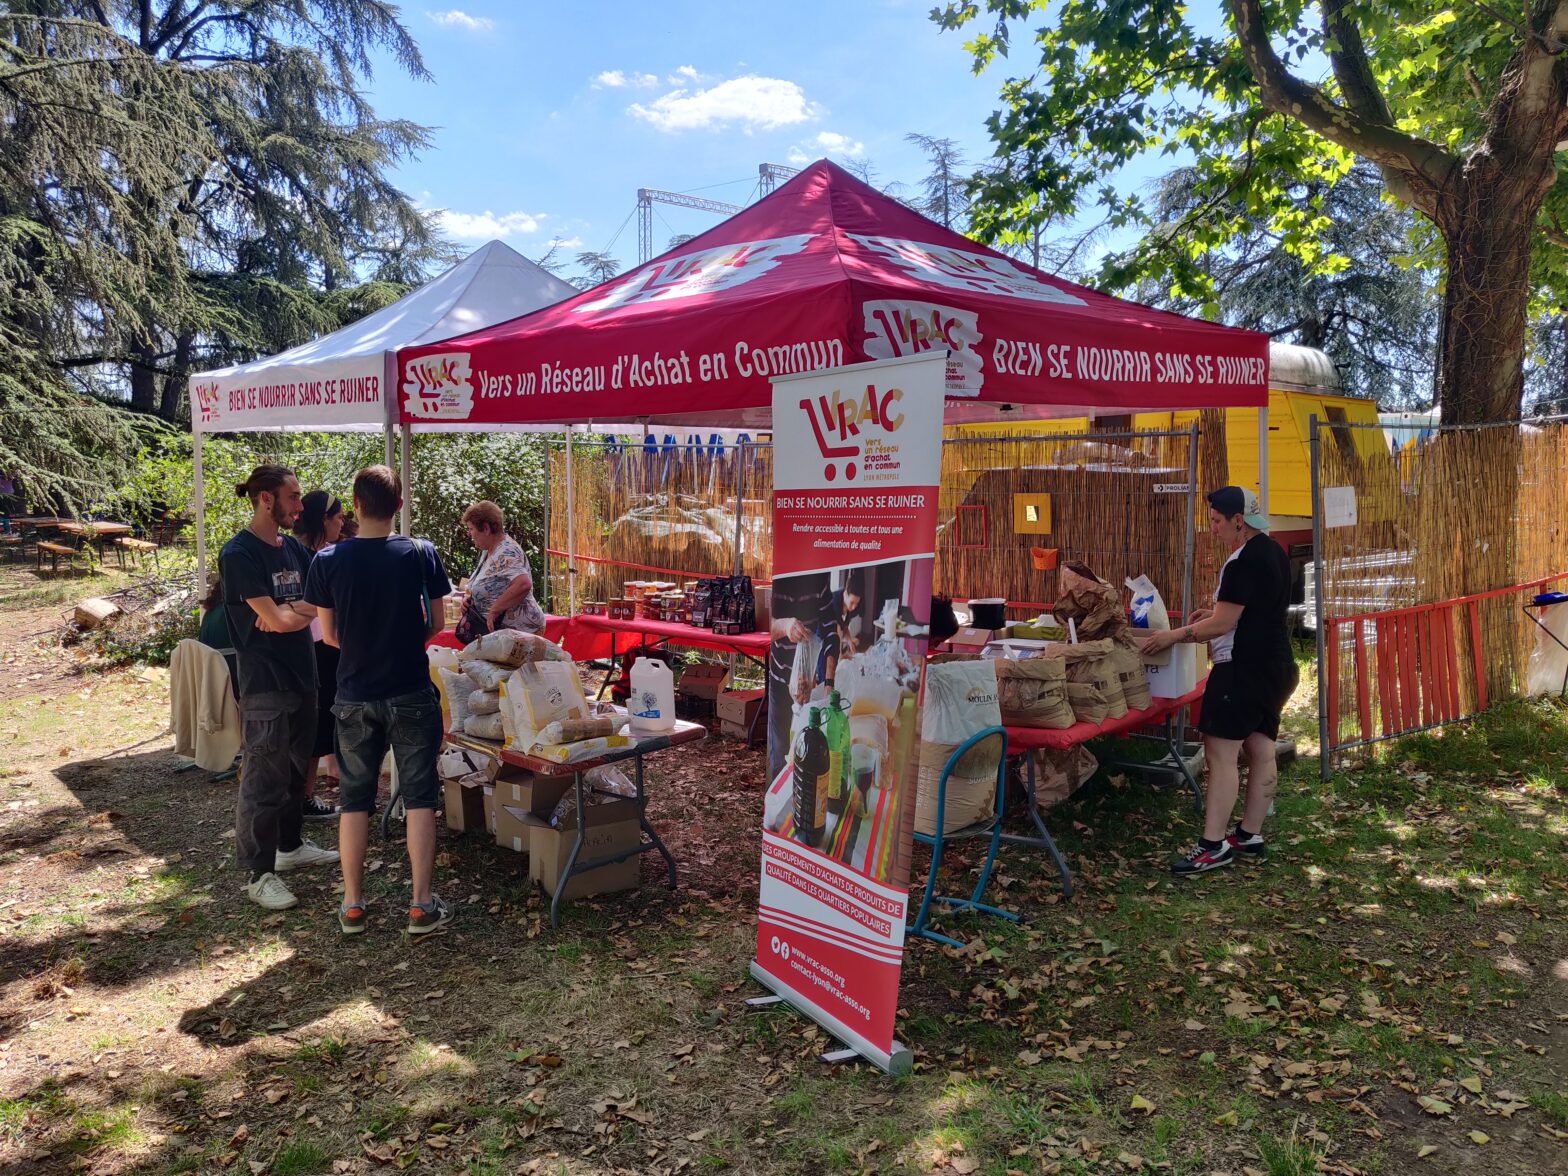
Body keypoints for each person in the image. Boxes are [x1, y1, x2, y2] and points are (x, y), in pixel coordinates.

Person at [305, 465, 453, 935]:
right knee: (420, 797)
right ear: (399, 505)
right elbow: (436, 624)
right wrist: (403, 642)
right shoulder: (421, 553)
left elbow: (329, 635)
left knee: (354, 800)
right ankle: (420, 905)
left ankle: (352, 904)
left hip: (353, 695)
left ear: (355, 505)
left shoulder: (327, 560)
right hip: (411, 690)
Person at [1140, 486, 1297, 876]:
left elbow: (1224, 624)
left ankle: (1212, 846)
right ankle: (1249, 835)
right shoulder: (1274, 551)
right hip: (1276, 666)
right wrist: (1211, 614)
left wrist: (1174, 635)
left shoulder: (1242, 561)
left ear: (1238, 521)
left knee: (1220, 755)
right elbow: (1250, 610)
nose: (1212, 528)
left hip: (1241, 669)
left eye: (1215, 521)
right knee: (1261, 748)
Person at [221, 466, 340, 912]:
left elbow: (322, 602)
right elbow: (278, 620)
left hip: (304, 677)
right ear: (266, 499)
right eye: (292, 497)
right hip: (265, 683)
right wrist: (289, 612)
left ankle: (290, 846)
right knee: (263, 779)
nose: (300, 506)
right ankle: (259, 872)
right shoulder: (239, 554)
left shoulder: (292, 548)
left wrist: (291, 609)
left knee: (293, 773)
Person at [293, 491, 345, 820]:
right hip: (314, 647)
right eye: (338, 517)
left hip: (323, 645)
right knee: (313, 725)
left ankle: (305, 795)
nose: (342, 523)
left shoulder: (321, 553)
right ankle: (302, 797)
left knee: (320, 723)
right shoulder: (301, 554)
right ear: (324, 520)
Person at [767, 571, 832, 783]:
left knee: (805, 751)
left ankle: (801, 796)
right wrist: (785, 626)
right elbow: (763, 627)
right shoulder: (778, 578)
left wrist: (829, 683)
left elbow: (831, 632)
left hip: (806, 684)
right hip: (779, 678)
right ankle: (777, 797)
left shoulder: (820, 578)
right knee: (780, 753)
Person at [456, 500, 544, 643]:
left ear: (486, 529)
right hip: (504, 634)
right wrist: (471, 600)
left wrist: (495, 610)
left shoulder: (507, 551)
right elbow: (492, 583)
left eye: (471, 529)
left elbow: (523, 584)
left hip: (520, 632)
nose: (468, 534)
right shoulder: (489, 549)